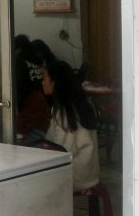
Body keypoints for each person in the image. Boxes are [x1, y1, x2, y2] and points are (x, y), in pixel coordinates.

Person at [43, 60, 100, 191]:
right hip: (89, 173)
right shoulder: (81, 104)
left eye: (45, 79)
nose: (42, 83)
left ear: (55, 82)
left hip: (75, 177)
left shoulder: (65, 112)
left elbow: (61, 152)